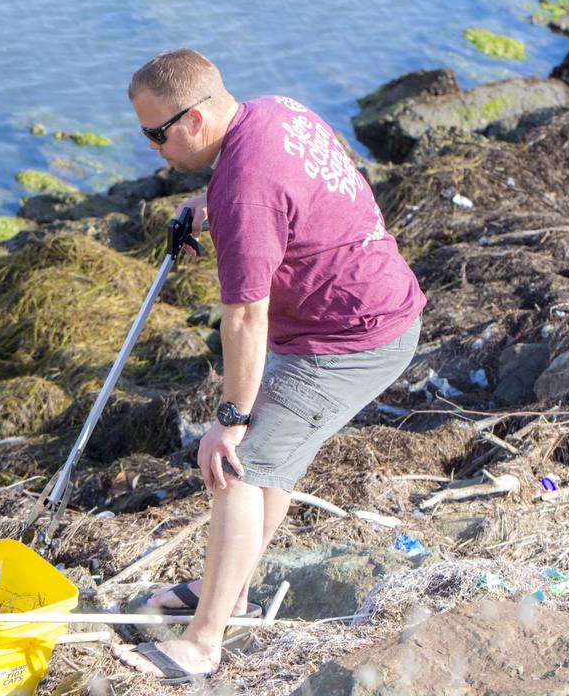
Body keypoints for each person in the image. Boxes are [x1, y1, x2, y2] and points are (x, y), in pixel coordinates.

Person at [112, 48, 426, 684]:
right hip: (356, 309)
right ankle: (225, 593)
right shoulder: (274, 111)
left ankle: (202, 642)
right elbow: (285, 184)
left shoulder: (243, 192)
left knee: (236, 466)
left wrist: (228, 419)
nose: (152, 148)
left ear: (194, 120)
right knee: (270, 460)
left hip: (350, 340)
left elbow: (244, 319)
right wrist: (206, 202)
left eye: (156, 134)